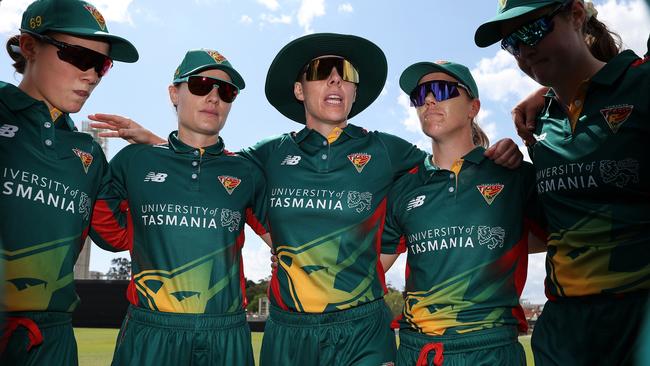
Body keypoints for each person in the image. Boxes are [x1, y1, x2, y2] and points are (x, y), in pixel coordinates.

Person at [93, 32, 524, 365]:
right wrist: (155, 142)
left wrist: (496, 152)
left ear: (355, 93)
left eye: (346, 75)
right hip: (288, 329)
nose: (335, 79)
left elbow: (452, 166)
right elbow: (206, 163)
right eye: (321, 71)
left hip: (363, 328)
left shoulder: (389, 152)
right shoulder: (265, 155)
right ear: (300, 90)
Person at [475, 1, 650, 365]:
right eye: (512, 44)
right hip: (563, 334)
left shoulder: (640, 83)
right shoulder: (538, 124)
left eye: (534, 30)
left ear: (575, 14)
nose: (524, 51)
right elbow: (553, 223)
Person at [89, 49, 270, 366]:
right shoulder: (133, 162)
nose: (214, 97)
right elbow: (109, 235)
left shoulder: (246, 172)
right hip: (150, 332)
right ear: (174, 92)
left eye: (226, 92)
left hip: (225, 335)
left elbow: (284, 243)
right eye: (201, 85)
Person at [381, 60, 546, 366]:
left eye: (442, 90)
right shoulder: (404, 188)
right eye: (420, 96)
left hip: (492, 351)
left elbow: (567, 235)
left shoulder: (514, 176)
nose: (429, 100)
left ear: (473, 107)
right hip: (417, 352)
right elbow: (368, 271)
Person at [0, 0, 138, 365]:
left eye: (101, 65)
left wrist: (157, 148)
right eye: (79, 56)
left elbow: (116, 236)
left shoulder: (89, 153)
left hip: (53, 344)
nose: (92, 75)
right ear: (29, 47)